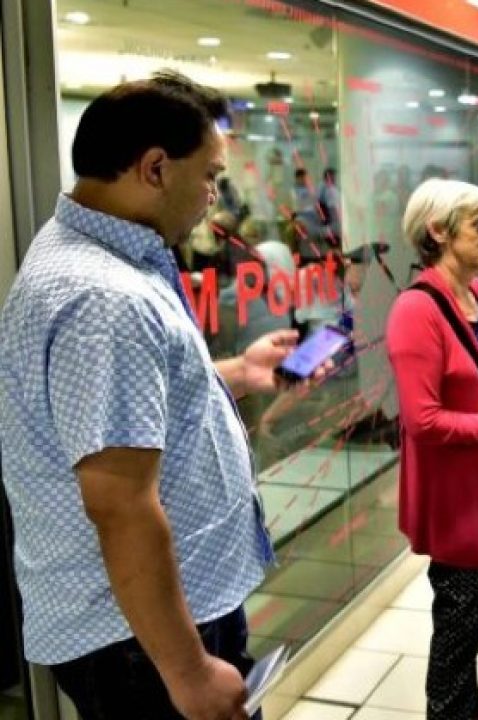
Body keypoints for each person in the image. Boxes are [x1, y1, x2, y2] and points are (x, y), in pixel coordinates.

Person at [0, 71, 305, 720]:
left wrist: (239, 372)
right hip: (143, 640)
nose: (214, 198)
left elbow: (123, 405)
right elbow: (121, 507)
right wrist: (189, 671)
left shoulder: (91, 254)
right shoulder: (103, 296)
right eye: (211, 176)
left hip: (150, 625)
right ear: (156, 169)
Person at [387, 178, 478, 720]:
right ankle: (451, 710)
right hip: (457, 504)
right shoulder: (416, 310)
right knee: (458, 628)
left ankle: (467, 708)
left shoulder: (471, 295)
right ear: (438, 232)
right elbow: (424, 422)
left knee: (470, 624)